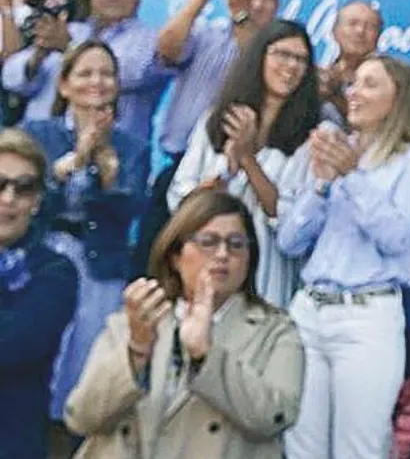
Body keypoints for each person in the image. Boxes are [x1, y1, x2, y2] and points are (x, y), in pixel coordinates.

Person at [278, 54, 410, 459]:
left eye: (370, 84)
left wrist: (353, 177)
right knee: (301, 448)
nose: (354, 93)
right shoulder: (340, 152)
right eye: (354, 83)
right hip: (309, 310)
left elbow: (398, 238)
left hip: (366, 317)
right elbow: (289, 241)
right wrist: (320, 185)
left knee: (359, 450)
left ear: (398, 98)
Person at [63, 188, 305, 459]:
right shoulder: (132, 321)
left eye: (237, 243)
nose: (223, 254)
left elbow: (274, 416)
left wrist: (207, 356)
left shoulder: (275, 330)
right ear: (175, 256)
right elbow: (81, 417)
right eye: (208, 241)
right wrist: (137, 351)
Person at [23, 41, 150, 419]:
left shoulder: (134, 147)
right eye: (86, 73)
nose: (97, 81)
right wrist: (73, 162)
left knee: (85, 369)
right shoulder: (37, 134)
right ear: (64, 85)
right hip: (42, 256)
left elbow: (131, 214)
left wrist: (109, 179)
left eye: (107, 73)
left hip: (100, 267)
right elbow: (23, 202)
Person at [168, 21, 325, 307]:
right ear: (259, 57)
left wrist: (247, 159)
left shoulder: (312, 136)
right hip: (211, 262)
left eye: (301, 59)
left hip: (269, 270)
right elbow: (180, 197)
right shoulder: (216, 119)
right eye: (282, 54)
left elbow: (291, 223)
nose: (291, 66)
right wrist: (222, 176)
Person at [2, 0, 172, 138]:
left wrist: (69, 46)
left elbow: (133, 74)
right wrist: (38, 56)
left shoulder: (151, 40)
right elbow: (10, 78)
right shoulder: (72, 29)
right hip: (38, 143)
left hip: (109, 152)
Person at [0, 128, 79, 459]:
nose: (8, 199)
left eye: (23, 188)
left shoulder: (55, 271)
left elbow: (14, 344)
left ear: (36, 202)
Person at [155, 0, 282, 160]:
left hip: (229, 164)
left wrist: (240, 14)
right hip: (178, 155)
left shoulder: (278, 51)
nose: (257, 4)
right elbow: (166, 50)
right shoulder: (206, 32)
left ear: (277, 8)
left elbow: (253, 63)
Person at [317, 0, 383, 113]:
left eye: (370, 27)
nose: (360, 31)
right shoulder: (319, 79)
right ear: (335, 31)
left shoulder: (387, 84)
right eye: (353, 24)